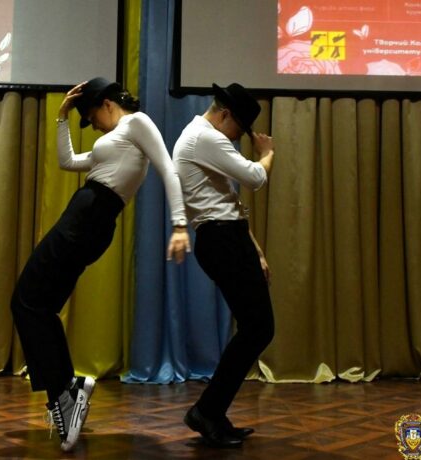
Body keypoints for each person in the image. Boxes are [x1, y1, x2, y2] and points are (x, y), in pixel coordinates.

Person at [10, 77, 190, 452]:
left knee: (26, 299)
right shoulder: (115, 142)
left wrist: (179, 224)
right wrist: (61, 118)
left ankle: (66, 393)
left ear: (107, 104)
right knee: (40, 305)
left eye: (91, 117)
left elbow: (168, 167)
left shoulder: (136, 123)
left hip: (90, 215)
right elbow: (67, 161)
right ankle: (66, 393)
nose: (93, 126)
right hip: (90, 216)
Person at [173, 83, 275, 448]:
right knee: (258, 328)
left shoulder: (199, 136)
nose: (238, 138)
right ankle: (207, 410)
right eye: (240, 130)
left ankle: (212, 411)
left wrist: (256, 250)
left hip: (226, 237)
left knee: (255, 327)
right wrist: (267, 153)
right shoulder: (205, 137)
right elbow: (255, 178)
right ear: (225, 114)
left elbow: (227, 201)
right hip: (222, 239)